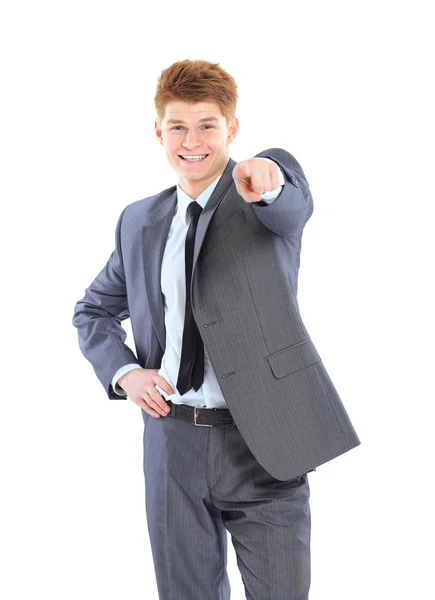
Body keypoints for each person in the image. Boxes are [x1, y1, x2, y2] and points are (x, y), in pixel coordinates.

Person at [72, 58, 361, 600]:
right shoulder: (140, 220)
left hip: (264, 443)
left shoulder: (261, 195)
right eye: (178, 126)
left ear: (232, 128)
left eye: (207, 125)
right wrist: (126, 372)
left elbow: (290, 205)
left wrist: (270, 182)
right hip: (172, 443)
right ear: (159, 132)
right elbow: (93, 310)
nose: (192, 141)